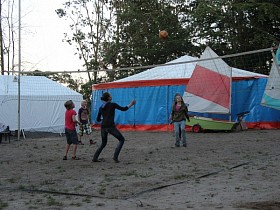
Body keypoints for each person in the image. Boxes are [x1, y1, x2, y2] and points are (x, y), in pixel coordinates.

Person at [92, 92, 136, 163]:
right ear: (109, 98)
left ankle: (95, 157)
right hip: (110, 126)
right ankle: (115, 157)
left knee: (103, 143)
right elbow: (123, 109)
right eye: (110, 95)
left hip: (103, 126)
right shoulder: (112, 105)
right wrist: (131, 104)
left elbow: (98, 119)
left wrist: (104, 119)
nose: (111, 96)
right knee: (121, 139)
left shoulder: (101, 107)